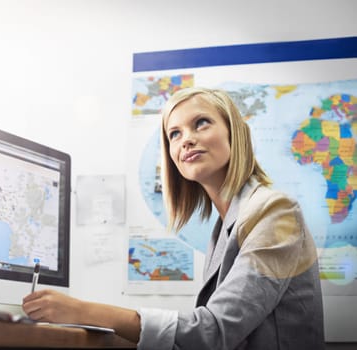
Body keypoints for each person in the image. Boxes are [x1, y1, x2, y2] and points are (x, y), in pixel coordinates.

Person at [22, 87, 324, 349]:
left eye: (201, 123)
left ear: (235, 132)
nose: (186, 140)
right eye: (174, 134)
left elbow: (213, 333)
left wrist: (82, 311)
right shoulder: (224, 227)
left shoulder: (275, 212)